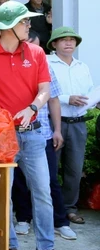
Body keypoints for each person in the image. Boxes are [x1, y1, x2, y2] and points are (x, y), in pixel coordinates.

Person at [0, 1, 72, 250]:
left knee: (43, 191)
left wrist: (33, 108)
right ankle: (10, 247)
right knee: (2, 195)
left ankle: (46, 247)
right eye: (24, 22)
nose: (29, 25)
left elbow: (44, 90)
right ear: (8, 27)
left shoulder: (37, 53)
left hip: (33, 135)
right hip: (1, 137)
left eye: (28, 21)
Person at [13, 31, 74, 240]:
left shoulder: (44, 65)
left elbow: (53, 99)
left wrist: (57, 130)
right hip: (14, 132)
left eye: (37, 46)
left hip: (43, 131)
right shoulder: (10, 65)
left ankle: (60, 221)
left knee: (48, 181)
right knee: (19, 180)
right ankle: (23, 218)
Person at [48, 26, 94, 226]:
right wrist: (68, 98)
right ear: (54, 44)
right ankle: (48, 209)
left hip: (78, 124)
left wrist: (95, 100)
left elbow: (90, 91)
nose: (69, 43)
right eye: (64, 40)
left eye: (72, 40)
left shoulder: (82, 66)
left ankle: (69, 208)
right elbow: (45, 91)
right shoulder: (47, 63)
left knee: (74, 170)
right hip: (54, 122)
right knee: (49, 168)